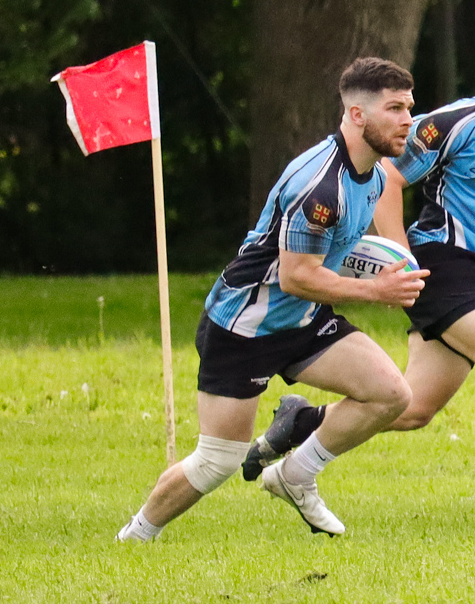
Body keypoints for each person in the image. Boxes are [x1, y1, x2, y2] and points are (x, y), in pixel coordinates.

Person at [243, 21, 475, 524]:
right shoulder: (455, 123)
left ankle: (299, 425)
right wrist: (402, 258)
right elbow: (388, 178)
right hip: (440, 261)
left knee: (409, 409)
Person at [116, 58, 428, 540]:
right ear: (358, 115)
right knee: (216, 462)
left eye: (409, 106)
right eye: (395, 108)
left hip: (302, 321)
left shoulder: (377, 176)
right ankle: (135, 538)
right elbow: (297, 276)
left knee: (391, 395)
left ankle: (295, 475)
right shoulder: (319, 187)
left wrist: (384, 270)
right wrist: (375, 289)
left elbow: (329, 257)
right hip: (244, 327)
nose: (409, 119)